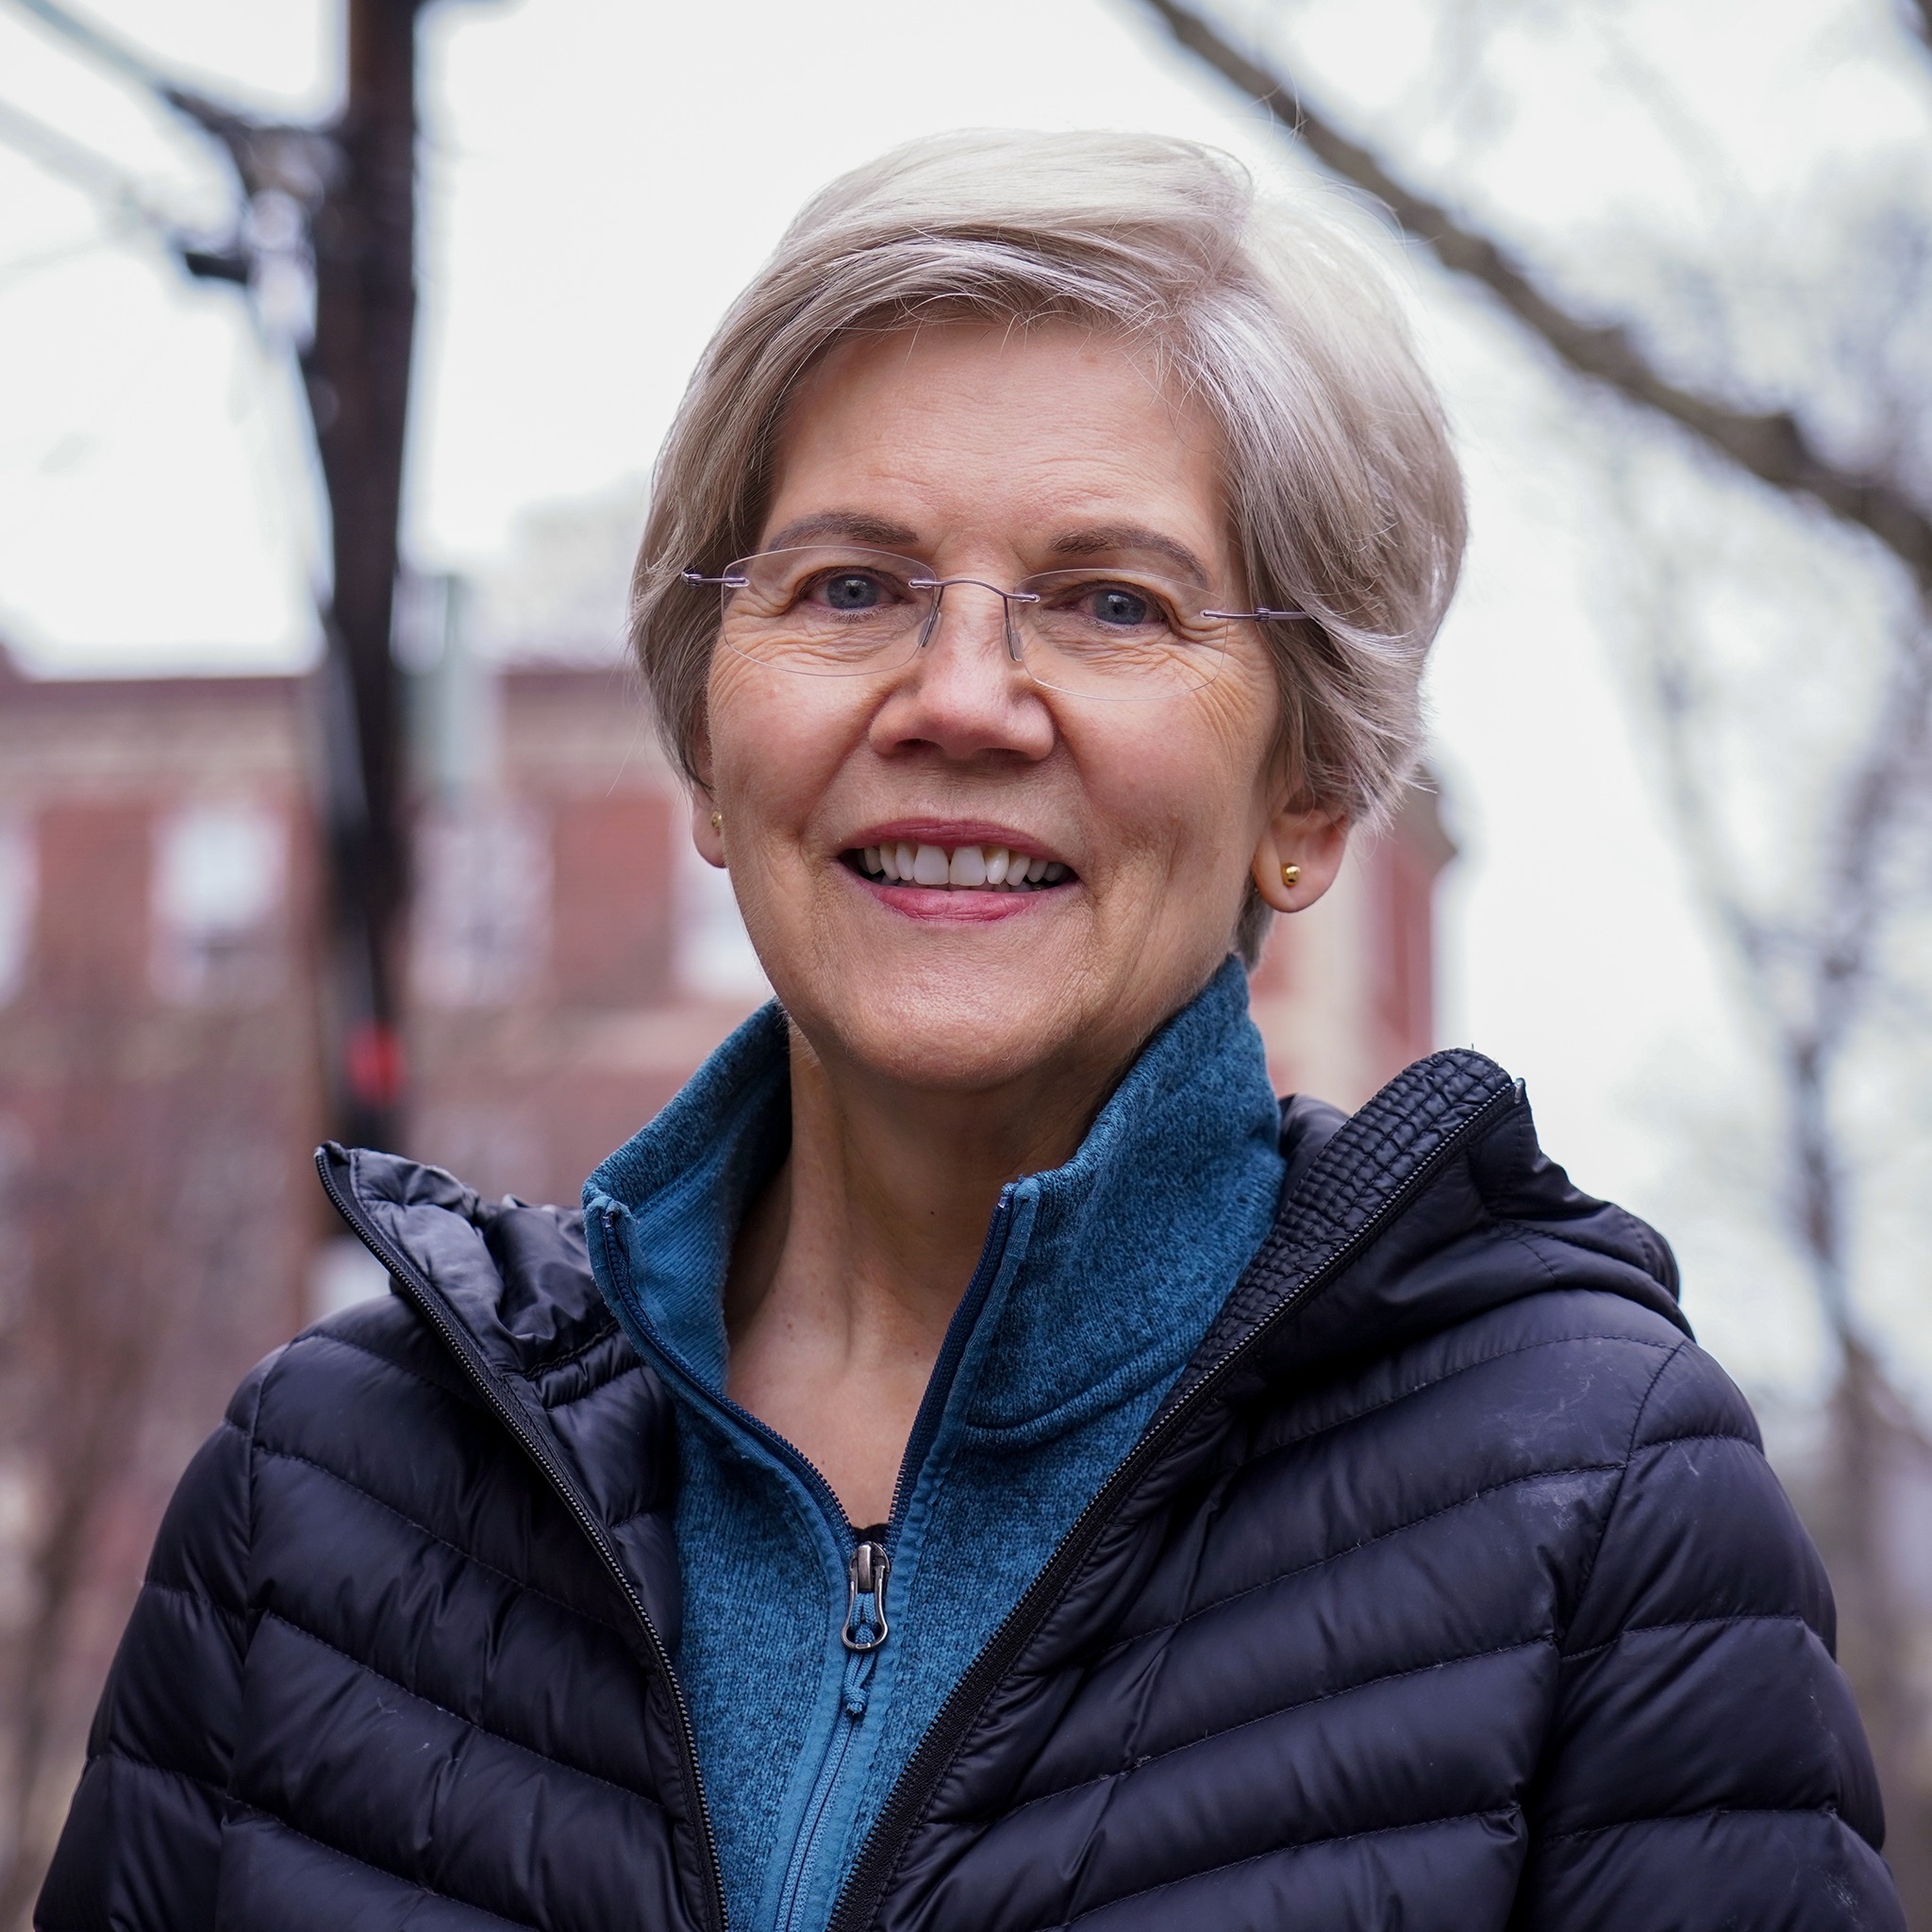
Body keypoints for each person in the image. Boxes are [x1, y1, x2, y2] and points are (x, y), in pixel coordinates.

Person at [40, 130, 1901, 1932]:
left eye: (1111, 602)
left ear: (1311, 792)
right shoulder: (325, 1498)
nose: (959, 698)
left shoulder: (1596, 1505)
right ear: (706, 736)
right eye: (849, 587)